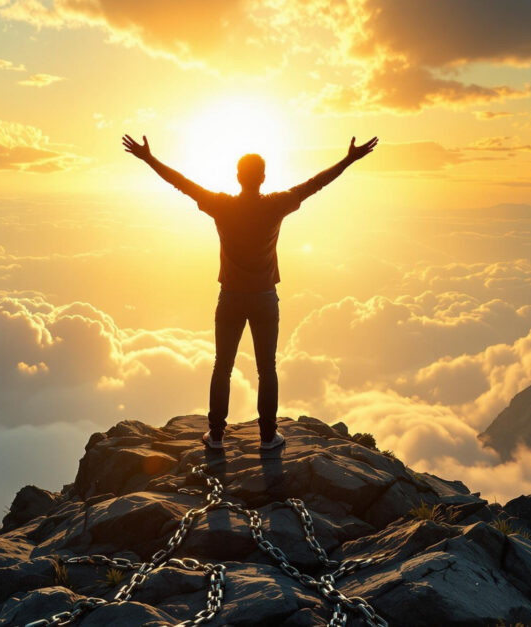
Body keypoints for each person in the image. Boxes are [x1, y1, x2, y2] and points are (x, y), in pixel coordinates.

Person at [122, 133, 378, 450]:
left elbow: (182, 184)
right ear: (263, 178)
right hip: (264, 298)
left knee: (222, 367)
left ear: (238, 177)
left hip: (229, 297)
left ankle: (216, 436)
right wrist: (348, 159)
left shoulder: (222, 205)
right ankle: (268, 437)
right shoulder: (275, 205)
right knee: (267, 368)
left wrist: (148, 158)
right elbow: (315, 184)